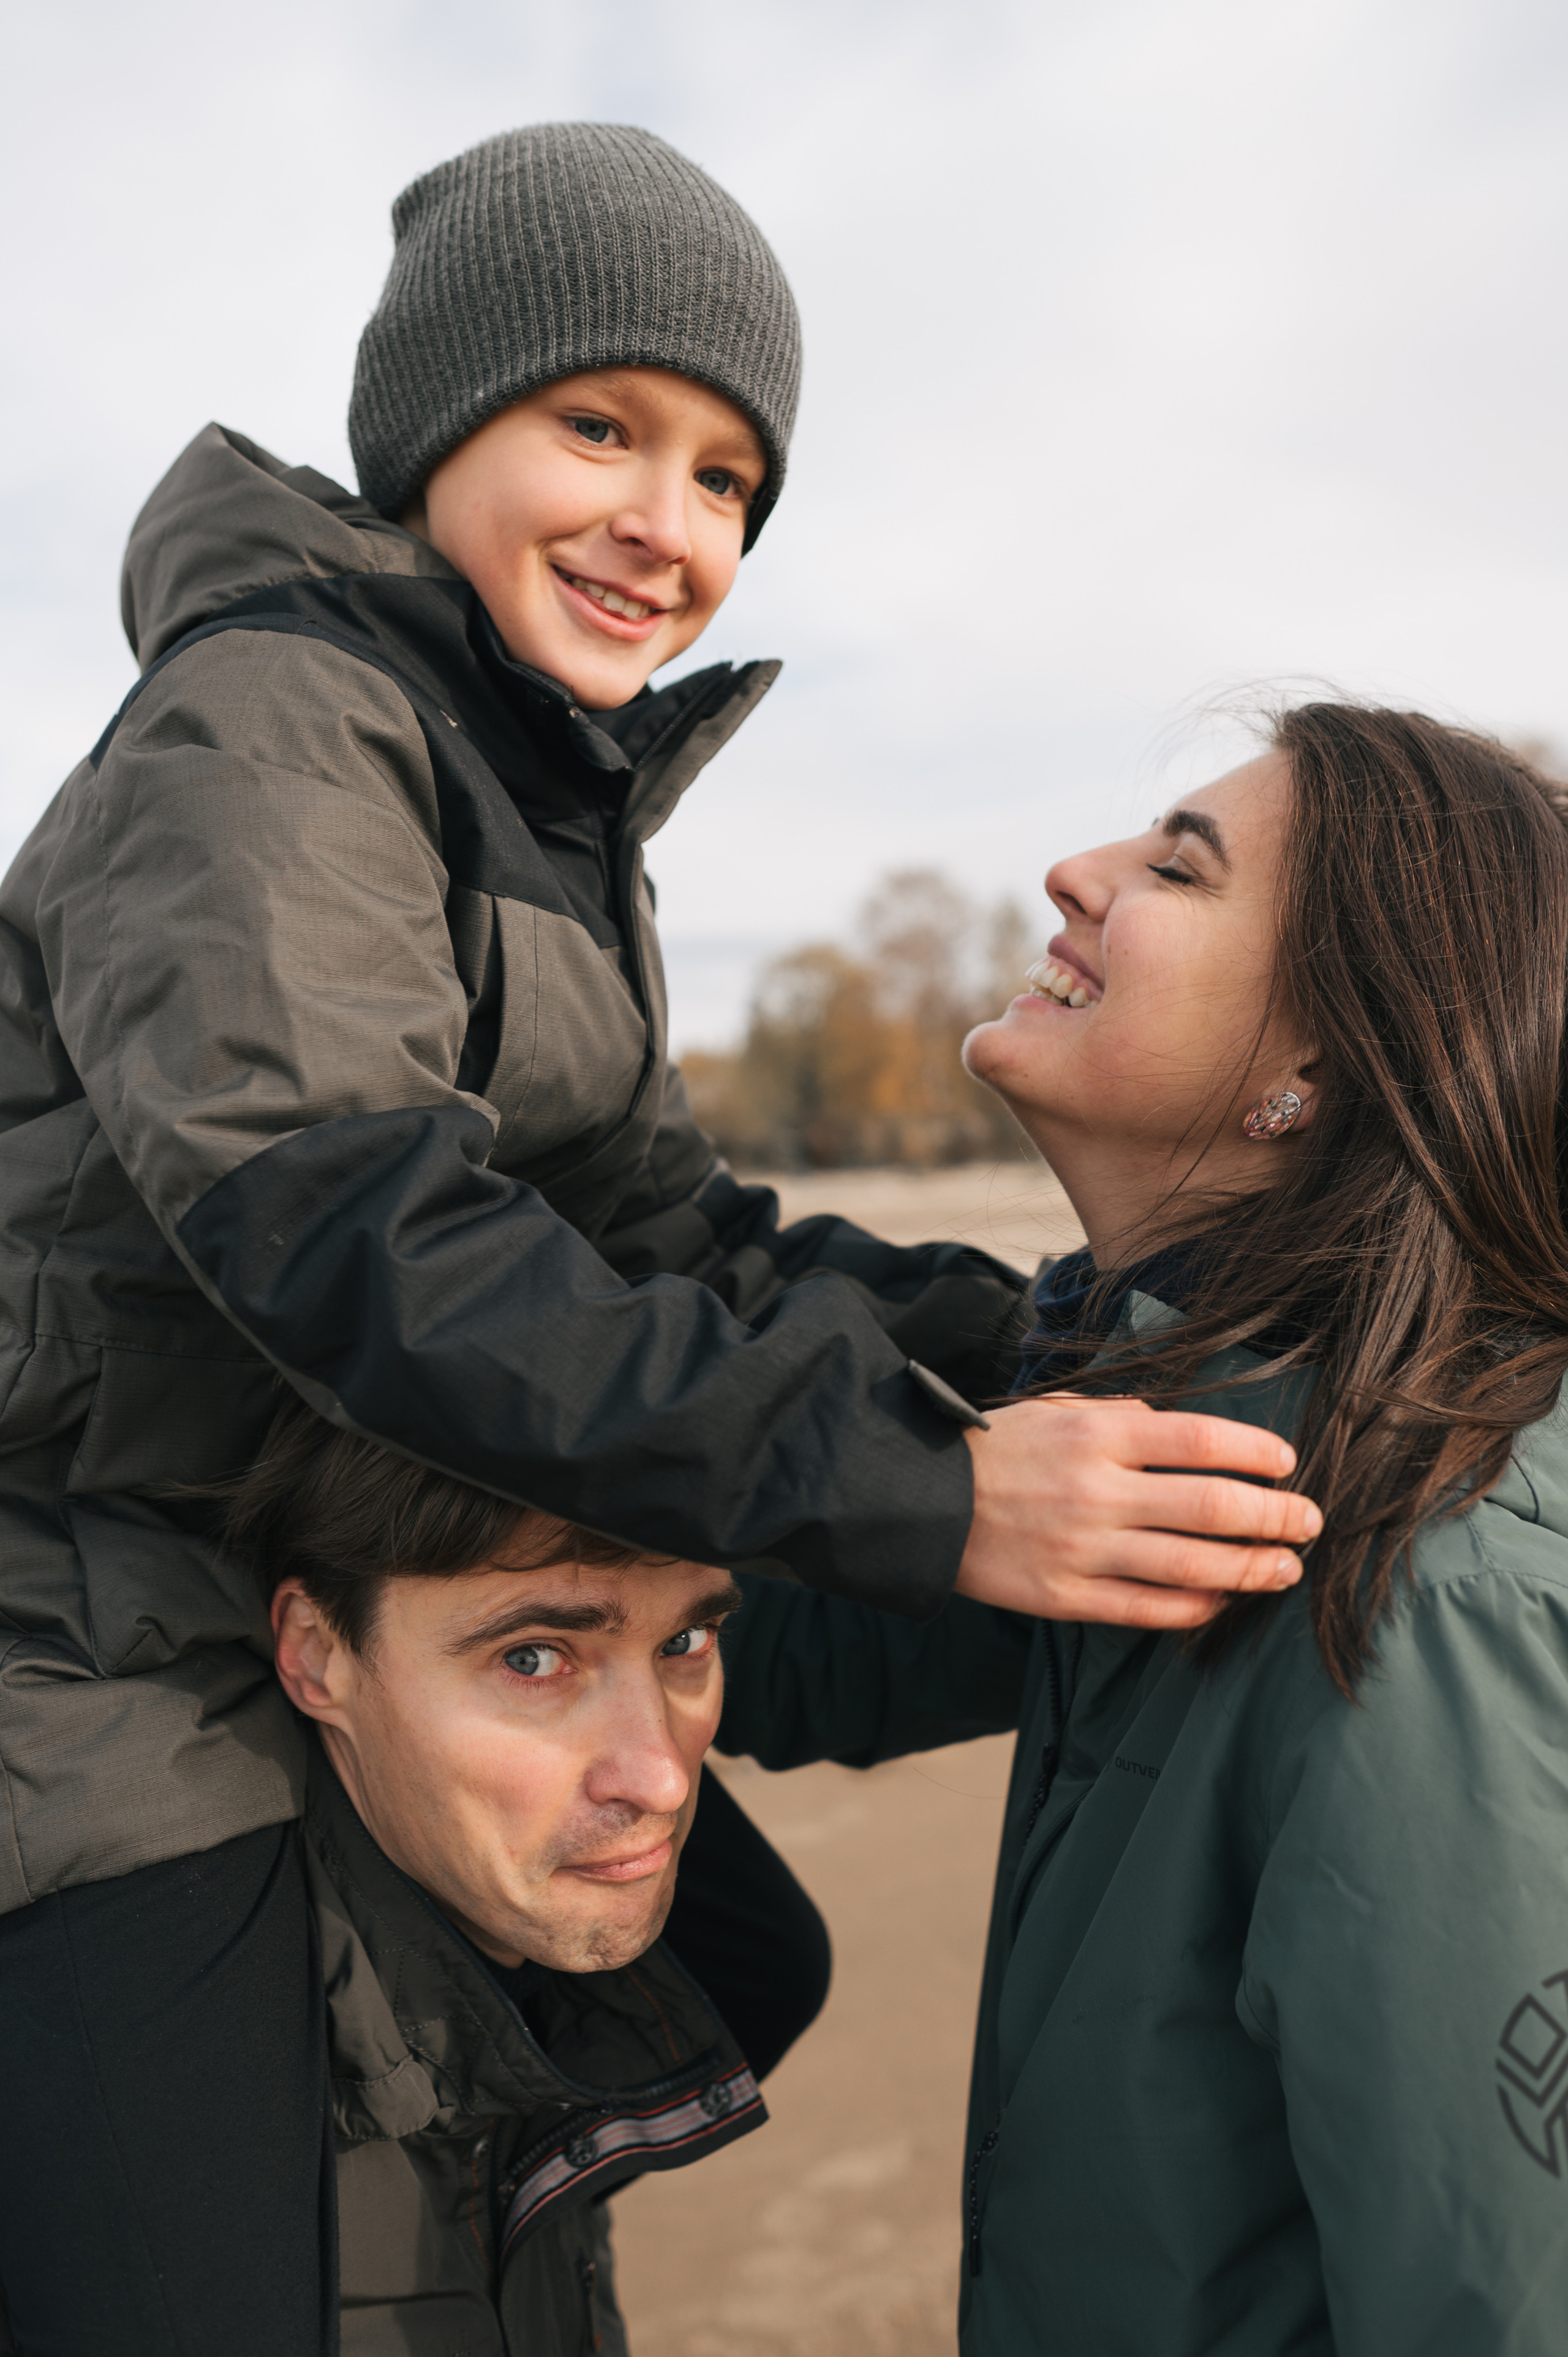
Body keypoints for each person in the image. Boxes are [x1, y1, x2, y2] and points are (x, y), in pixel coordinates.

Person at [0, 123, 1316, 2352]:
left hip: (318, 1543)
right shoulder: (276, 718)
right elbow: (354, 1229)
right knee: (209, 2253)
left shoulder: (543, 801)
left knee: (722, 1965)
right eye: (596, 425)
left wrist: (1052, 1344)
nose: (664, 521)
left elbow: (671, 1237)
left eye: (727, 477)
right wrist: (926, 1490)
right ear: (434, 431)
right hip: (96, 1600)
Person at [717, 705, 1568, 2355]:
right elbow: (787, 1643)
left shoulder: (1411, 1575)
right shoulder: (1181, 1458)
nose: (1075, 872)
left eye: (1178, 865)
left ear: (1315, 1075)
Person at [221, 1391, 756, 2355]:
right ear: (319, 1655)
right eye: (535, 1657)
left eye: (685, 1644)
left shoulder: (528, 1969)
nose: (665, 1779)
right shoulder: (190, 2143)